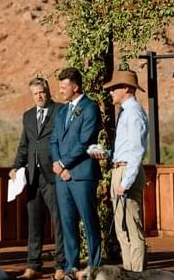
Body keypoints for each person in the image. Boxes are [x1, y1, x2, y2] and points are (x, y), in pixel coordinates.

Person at [10, 78, 65, 280]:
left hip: (54, 176)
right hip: (33, 177)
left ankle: (61, 266)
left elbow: (65, 140)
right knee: (34, 223)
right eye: (35, 93)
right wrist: (17, 166)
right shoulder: (28, 116)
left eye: (41, 92)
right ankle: (33, 266)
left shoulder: (60, 110)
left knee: (59, 222)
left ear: (48, 91)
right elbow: (24, 144)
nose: (39, 96)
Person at [49, 68, 102, 276]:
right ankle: (71, 265)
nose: (60, 90)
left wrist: (63, 164)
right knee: (68, 222)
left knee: (89, 221)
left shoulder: (90, 108)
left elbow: (85, 141)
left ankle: (94, 266)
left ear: (75, 86)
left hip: (82, 175)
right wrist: (58, 165)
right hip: (62, 177)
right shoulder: (62, 111)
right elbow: (53, 140)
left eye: (64, 86)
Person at [101, 70, 148, 272]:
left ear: (126, 89)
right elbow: (127, 147)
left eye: (114, 88)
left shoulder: (134, 113)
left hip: (127, 172)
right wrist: (106, 155)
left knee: (132, 228)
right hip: (119, 169)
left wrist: (126, 182)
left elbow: (137, 151)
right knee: (122, 229)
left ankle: (137, 274)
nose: (111, 92)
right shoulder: (126, 113)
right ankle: (129, 273)